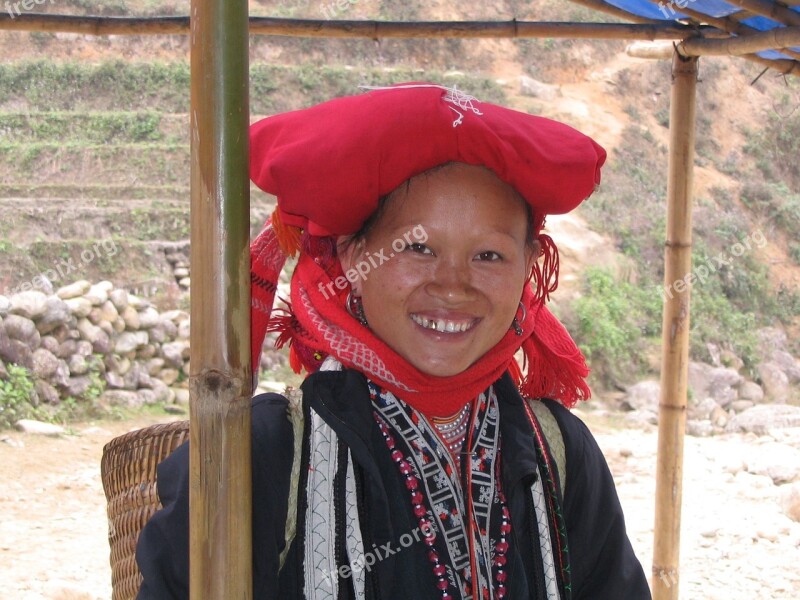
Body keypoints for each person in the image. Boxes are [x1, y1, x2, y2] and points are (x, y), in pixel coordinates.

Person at [136, 83, 651, 599]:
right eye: (419, 248)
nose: (452, 285)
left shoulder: (559, 452)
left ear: (530, 265)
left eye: (488, 256)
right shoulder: (259, 455)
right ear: (355, 256)